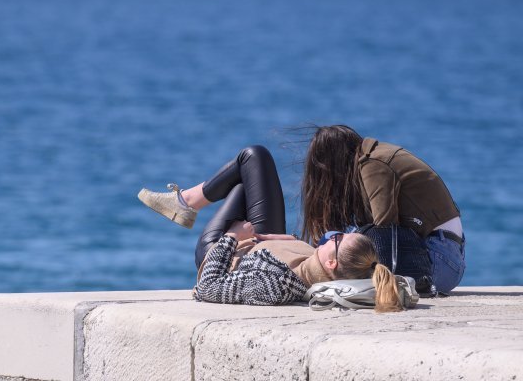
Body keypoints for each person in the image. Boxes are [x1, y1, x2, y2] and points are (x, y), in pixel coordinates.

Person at [138, 145, 404, 311]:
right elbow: (306, 263)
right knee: (255, 161)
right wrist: (287, 240)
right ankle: (184, 202)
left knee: (245, 175)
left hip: (220, 253)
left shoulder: (275, 285)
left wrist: (232, 237)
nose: (331, 234)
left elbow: (208, 288)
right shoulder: (319, 263)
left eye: (336, 239)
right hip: (264, 240)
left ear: (332, 264)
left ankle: (184, 203)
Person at [300, 125, 466, 293]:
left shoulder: (374, 164)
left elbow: (383, 233)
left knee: (354, 251)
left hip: (438, 263)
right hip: (445, 259)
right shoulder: (372, 157)